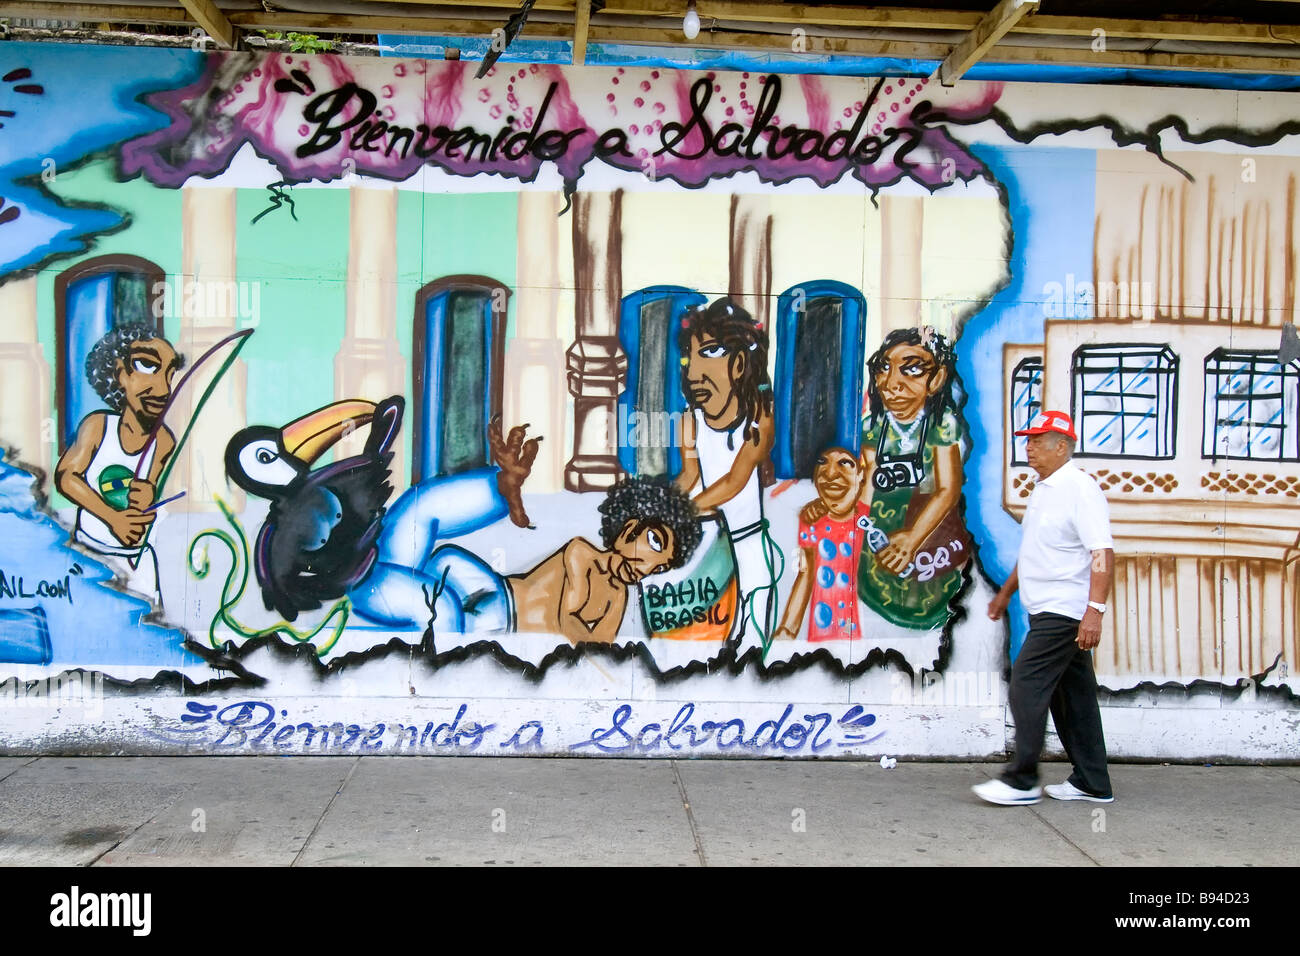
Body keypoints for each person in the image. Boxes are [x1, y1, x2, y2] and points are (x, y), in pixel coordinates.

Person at [973, 410, 1116, 806]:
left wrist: (1094, 611)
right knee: (1074, 698)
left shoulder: (1079, 489)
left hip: (1065, 611)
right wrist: (1005, 594)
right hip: (1047, 608)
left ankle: (1021, 780)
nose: (1029, 447)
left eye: (1038, 440)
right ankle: (1092, 781)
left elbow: (1102, 552)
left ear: (1062, 446)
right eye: (1028, 439)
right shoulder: (1043, 490)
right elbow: (1034, 552)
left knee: (1026, 686)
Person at [674, 297, 779, 653]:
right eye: (690, 356)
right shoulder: (690, 421)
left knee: (753, 626)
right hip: (710, 545)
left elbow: (735, 481)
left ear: (738, 364)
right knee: (715, 632)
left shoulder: (759, 418)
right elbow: (689, 475)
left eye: (708, 354)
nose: (692, 372)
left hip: (748, 540)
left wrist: (686, 511)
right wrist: (664, 504)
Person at [55, 322, 183, 601]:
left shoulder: (163, 440)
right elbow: (66, 476)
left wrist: (147, 497)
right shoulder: (98, 425)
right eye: (148, 366)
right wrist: (113, 518)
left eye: (170, 373)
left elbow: (146, 492)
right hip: (88, 553)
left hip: (136, 560)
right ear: (119, 373)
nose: (163, 388)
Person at [507, 476, 701, 644]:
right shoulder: (580, 553)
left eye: (661, 567)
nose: (649, 567)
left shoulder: (618, 594)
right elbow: (567, 620)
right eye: (655, 542)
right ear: (629, 529)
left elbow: (602, 647)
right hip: (499, 602)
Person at [774, 446, 868, 642]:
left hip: (862, 641)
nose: (831, 474)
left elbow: (872, 455)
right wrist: (787, 629)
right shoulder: (811, 520)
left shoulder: (867, 514)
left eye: (845, 463)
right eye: (822, 464)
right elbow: (805, 576)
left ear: (860, 475)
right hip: (822, 635)